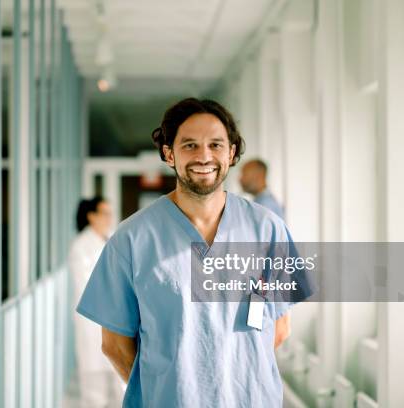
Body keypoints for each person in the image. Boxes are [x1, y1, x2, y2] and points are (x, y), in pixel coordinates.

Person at [76, 97, 314, 407]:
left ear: (231, 153)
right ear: (168, 153)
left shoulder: (268, 230)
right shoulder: (132, 239)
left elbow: (279, 328)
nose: (204, 156)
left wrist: (237, 379)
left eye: (215, 145)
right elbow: (115, 345)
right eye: (189, 145)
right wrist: (167, 389)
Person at [68, 197, 124, 407]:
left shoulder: (111, 239)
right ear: (91, 216)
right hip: (93, 323)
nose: (109, 218)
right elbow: (87, 288)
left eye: (110, 213)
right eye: (104, 213)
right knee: (94, 392)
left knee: (121, 387)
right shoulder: (81, 246)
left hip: (117, 321)